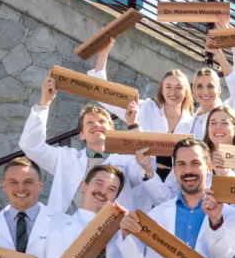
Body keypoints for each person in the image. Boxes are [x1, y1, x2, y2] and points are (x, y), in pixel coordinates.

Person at [20, 76, 167, 213]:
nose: (96, 125)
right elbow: (31, 146)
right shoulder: (65, 158)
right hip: (68, 231)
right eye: (90, 122)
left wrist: (133, 124)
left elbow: (144, 166)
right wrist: (44, 103)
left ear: (112, 130)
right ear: (82, 134)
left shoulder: (126, 161)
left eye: (102, 122)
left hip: (112, 234)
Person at [90, 39, 196, 181]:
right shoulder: (145, 109)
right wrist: (103, 53)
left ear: (186, 92)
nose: (173, 92)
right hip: (138, 181)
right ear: (162, 91)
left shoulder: (193, 122)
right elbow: (105, 96)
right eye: (168, 87)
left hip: (174, 186)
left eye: (179, 87)